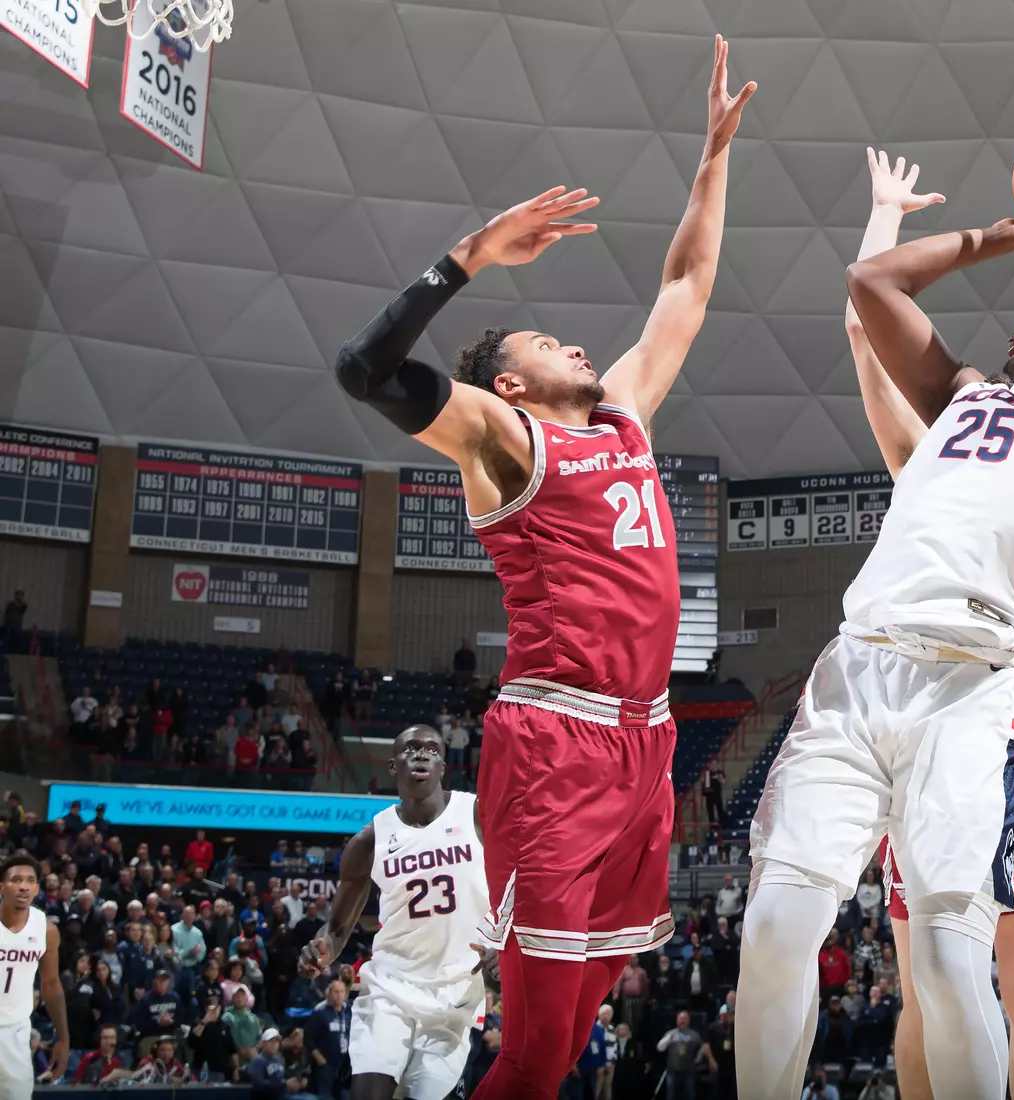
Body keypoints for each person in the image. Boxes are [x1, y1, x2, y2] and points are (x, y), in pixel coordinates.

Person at [332, 36, 752, 1098]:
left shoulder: (622, 416)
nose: (575, 345)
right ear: (509, 385)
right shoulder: (505, 441)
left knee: (568, 1040)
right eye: (548, 341)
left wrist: (713, 154)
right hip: (557, 742)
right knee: (531, 1042)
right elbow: (363, 369)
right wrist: (469, 257)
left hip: (647, 741)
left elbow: (688, 283)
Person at [741, 98, 1014, 1100]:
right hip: (858, 665)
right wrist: (998, 234)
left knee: (953, 964)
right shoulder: (963, 398)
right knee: (775, 929)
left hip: (973, 684)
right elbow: (870, 285)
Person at [845, 148, 1014, 1100]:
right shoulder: (953, 446)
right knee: (927, 995)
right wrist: (885, 218)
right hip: (925, 727)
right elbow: (864, 328)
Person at [298, 726, 488, 1100]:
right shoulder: (371, 838)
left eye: (432, 750)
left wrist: (504, 938)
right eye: (411, 749)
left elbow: (523, 874)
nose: (421, 755)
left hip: (456, 992)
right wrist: (322, 948)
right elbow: (336, 928)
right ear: (392, 765)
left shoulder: (477, 812)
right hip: (390, 987)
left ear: (443, 767)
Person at [0, 853, 69, 1096]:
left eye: (30, 880)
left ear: (37, 888)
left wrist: (63, 1038)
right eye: (15, 879)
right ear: (2, 886)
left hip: (15, 1034)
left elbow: (50, 983)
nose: (23, 886)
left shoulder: (46, 930)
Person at [657, 1011, 715, 1100]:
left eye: (684, 1019)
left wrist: (697, 1060)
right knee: (671, 1096)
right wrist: (668, 1039)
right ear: (677, 1020)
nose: (682, 1021)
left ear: (688, 1021)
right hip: (673, 1071)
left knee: (689, 1096)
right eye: (680, 1019)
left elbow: (702, 1048)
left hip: (688, 1071)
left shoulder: (694, 1035)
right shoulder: (670, 1033)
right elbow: (660, 1048)